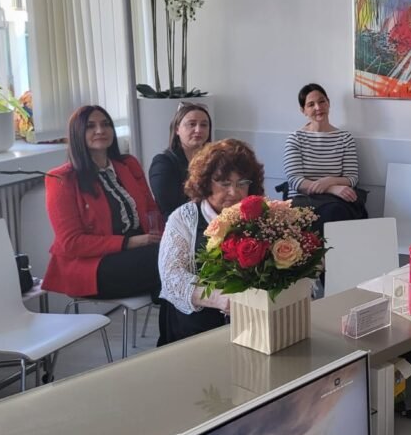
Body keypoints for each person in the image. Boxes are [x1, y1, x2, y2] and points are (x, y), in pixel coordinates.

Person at [42, 106, 162, 301]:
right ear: (77, 134)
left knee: (183, 253)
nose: (100, 130)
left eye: (105, 124)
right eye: (90, 126)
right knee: (168, 260)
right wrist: (131, 242)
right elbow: (72, 243)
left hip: (141, 254)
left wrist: (168, 237)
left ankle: (175, 316)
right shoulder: (61, 179)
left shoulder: (128, 164)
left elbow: (151, 210)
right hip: (93, 266)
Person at [157, 138, 266, 344]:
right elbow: (172, 278)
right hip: (194, 326)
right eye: (225, 184)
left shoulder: (260, 214)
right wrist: (219, 298)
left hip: (250, 322)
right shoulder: (183, 218)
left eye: (242, 183)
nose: (234, 192)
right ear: (206, 183)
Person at [283, 83, 367, 231]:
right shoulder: (295, 139)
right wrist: (331, 188)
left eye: (322, 101)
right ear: (303, 110)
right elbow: (295, 180)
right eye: (311, 104)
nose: (318, 107)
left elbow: (352, 178)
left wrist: (329, 180)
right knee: (330, 213)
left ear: (328, 103)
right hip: (303, 200)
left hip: (337, 201)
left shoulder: (345, 138)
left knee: (337, 211)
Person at [149, 102, 212, 220]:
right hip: (179, 224)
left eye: (204, 125)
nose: (198, 130)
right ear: (177, 129)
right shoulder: (163, 163)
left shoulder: (214, 160)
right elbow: (169, 209)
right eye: (192, 124)